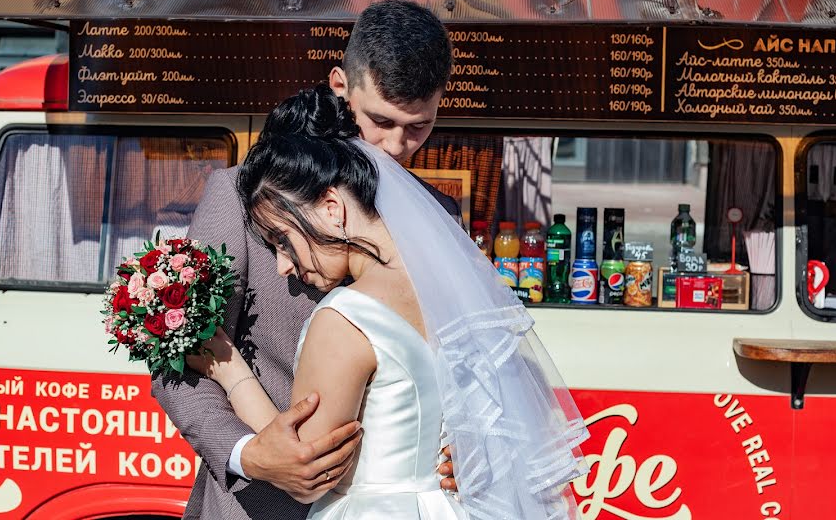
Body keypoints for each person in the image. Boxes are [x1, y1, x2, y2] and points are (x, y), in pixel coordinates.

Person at [198, 84, 589, 519]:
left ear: (331, 207)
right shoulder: (450, 288)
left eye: (284, 241)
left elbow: (306, 466)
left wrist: (232, 372)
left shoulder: (346, 318)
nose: (282, 266)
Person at [152, 0, 460, 520]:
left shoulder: (441, 216)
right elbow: (179, 358)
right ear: (340, 86)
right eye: (381, 121)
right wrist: (250, 455)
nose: (395, 147)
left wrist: (468, 447)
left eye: (418, 128)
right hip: (252, 507)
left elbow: (466, 365)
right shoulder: (241, 196)